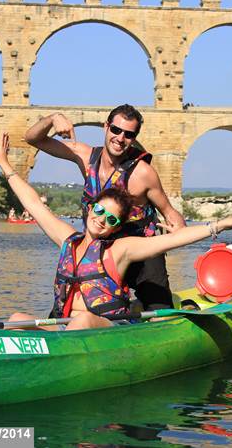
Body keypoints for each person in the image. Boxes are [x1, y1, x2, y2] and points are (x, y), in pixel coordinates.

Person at [0, 132, 232, 331]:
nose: (102, 220)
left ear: (117, 227)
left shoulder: (120, 249)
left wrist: (218, 225)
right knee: (17, 318)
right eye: (100, 211)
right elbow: (34, 205)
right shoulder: (68, 240)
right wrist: (5, 166)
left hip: (106, 330)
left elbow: (172, 240)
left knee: (82, 321)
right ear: (91, 208)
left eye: (112, 219)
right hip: (62, 327)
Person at [24, 104, 186, 311]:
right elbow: (32, 139)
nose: (120, 138)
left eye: (128, 134)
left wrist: (179, 230)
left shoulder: (143, 173)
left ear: (134, 137)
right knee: (69, 305)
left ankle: (151, 312)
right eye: (116, 130)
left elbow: (170, 212)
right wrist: (52, 118)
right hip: (101, 249)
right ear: (106, 127)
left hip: (141, 253)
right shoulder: (85, 156)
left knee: (160, 310)